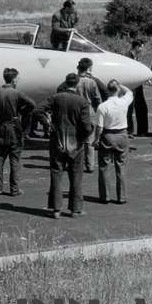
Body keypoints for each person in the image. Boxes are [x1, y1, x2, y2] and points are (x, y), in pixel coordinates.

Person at [34, 73, 93, 218]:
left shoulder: (56, 98)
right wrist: (84, 137)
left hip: (58, 140)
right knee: (76, 176)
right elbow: (86, 126)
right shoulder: (82, 102)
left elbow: (37, 111)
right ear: (77, 84)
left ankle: (56, 209)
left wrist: (48, 124)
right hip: (75, 143)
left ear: (65, 83)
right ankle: (75, 209)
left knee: (56, 173)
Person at [0, 68, 36, 196]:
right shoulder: (17, 93)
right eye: (17, 78)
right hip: (14, 127)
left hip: (0, 126)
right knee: (14, 160)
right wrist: (21, 110)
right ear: (14, 79)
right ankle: (14, 190)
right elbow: (32, 104)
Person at [58, 58, 101, 173]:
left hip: (73, 111)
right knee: (89, 140)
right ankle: (90, 165)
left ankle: (72, 162)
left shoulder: (71, 81)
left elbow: (59, 90)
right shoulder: (91, 82)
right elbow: (97, 99)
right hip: (88, 111)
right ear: (89, 68)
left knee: (73, 138)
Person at [94, 80, 132, 204]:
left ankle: (105, 196)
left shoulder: (102, 106)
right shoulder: (124, 102)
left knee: (104, 167)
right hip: (122, 135)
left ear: (108, 90)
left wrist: (96, 139)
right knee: (121, 166)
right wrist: (120, 85)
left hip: (108, 135)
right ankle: (121, 197)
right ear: (118, 90)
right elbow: (129, 92)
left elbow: (99, 127)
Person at [126, 39, 152, 137]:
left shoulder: (135, 57)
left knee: (142, 107)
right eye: (141, 47)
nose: (141, 49)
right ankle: (129, 130)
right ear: (137, 46)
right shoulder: (128, 57)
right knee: (129, 109)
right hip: (131, 86)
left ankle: (142, 130)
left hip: (138, 85)